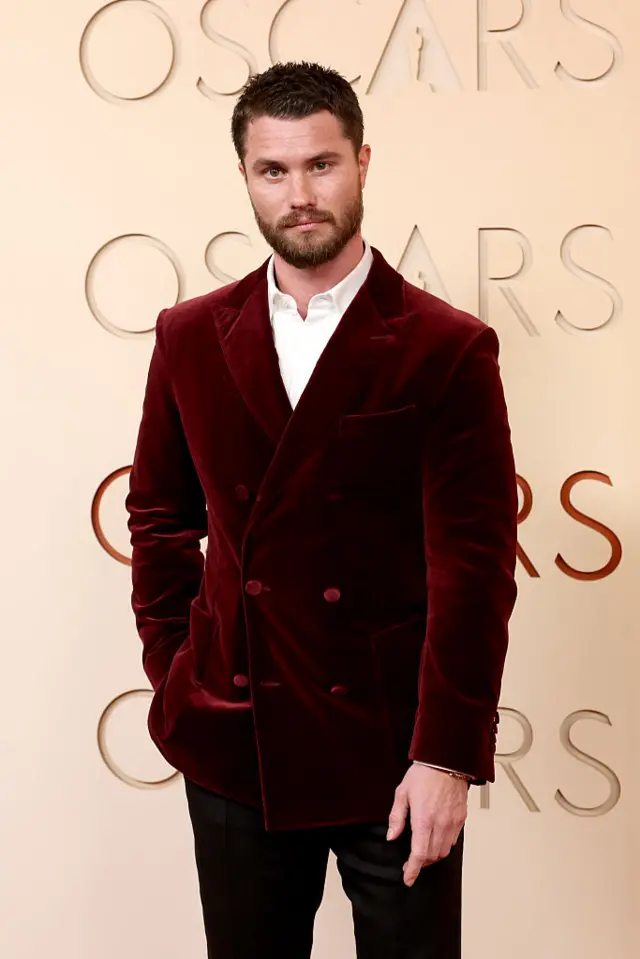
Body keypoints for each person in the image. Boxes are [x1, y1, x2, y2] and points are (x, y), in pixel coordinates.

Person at [125, 60, 518, 959]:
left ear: (362, 163)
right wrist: (180, 671)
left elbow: (472, 567)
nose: (299, 195)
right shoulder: (189, 335)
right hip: (237, 736)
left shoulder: (447, 346)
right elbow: (158, 518)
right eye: (274, 170)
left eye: (321, 164)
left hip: (393, 750)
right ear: (246, 176)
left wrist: (446, 755)